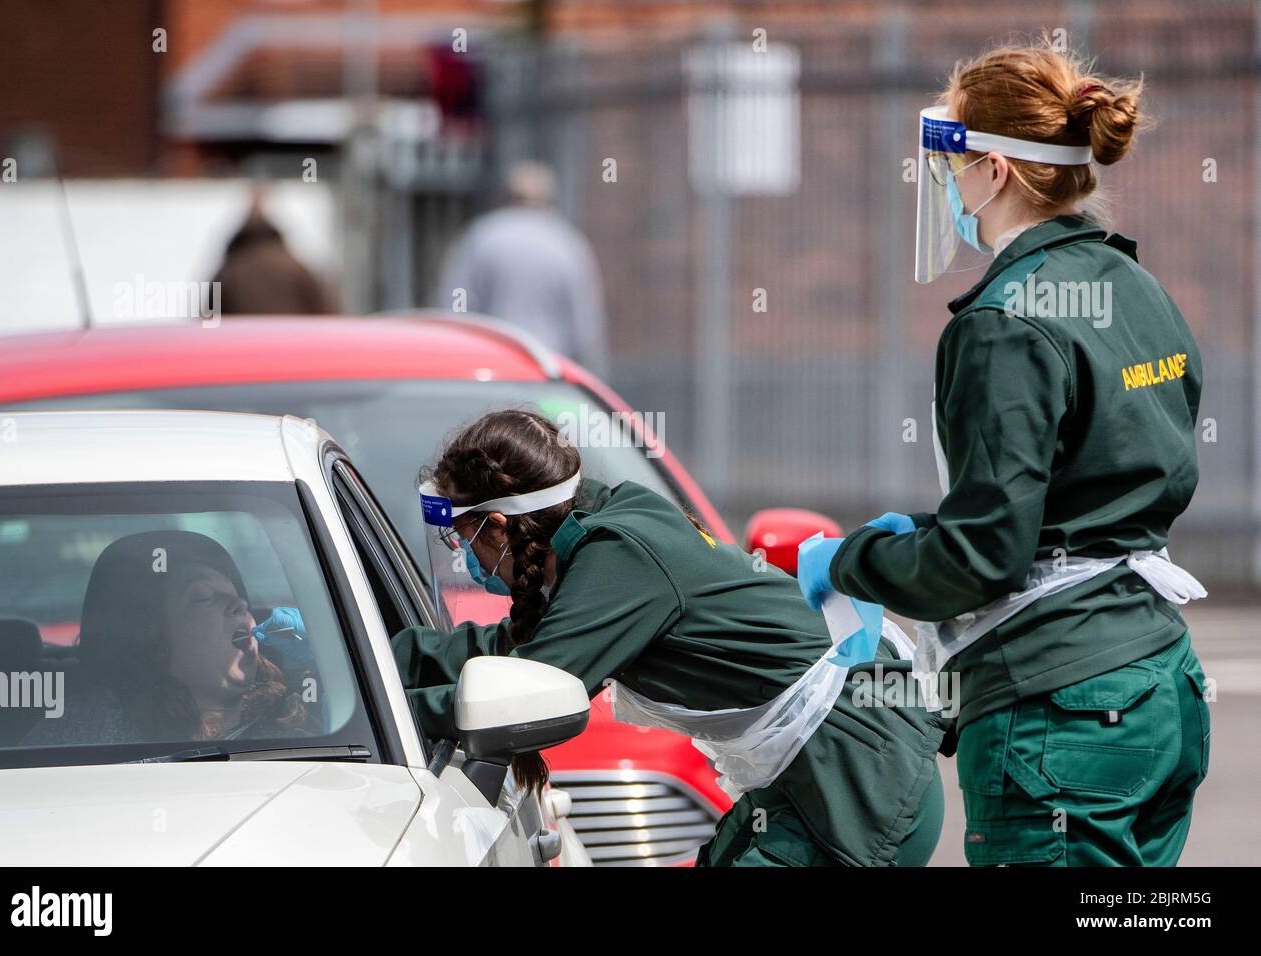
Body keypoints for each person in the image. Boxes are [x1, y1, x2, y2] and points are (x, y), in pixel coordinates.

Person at [798, 43, 1210, 866]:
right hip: (1159, 685)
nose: (945, 190)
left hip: (1062, 711)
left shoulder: (1002, 323)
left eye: (950, 170)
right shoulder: (1135, 285)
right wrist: (929, 528)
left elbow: (985, 556)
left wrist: (855, 562)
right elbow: (1084, 490)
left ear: (991, 170)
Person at [395, 409, 949, 867]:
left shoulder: (618, 555)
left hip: (864, 782)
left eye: (461, 538)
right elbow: (506, 648)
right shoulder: (597, 531)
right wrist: (372, 665)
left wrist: (389, 712)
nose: (462, 557)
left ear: (498, 527)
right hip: (830, 774)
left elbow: (528, 685)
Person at [23, 530, 316, 746]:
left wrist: (329, 667)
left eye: (238, 596)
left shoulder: (300, 719)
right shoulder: (83, 737)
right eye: (204, 596)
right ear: (153, 638)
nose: (240, 605)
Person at [437, 162, 609, 377]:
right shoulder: (567, 244)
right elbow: (584, 326)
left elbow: (456, 306)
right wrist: (593, 378)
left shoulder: (481, 236)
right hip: (549, 367)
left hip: (491, 365)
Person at [211, 191, 335, 315]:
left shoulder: (228, 272)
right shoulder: (296, 268)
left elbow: (211, 320)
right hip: (292, 334)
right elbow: (326, 313)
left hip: (243, 334)